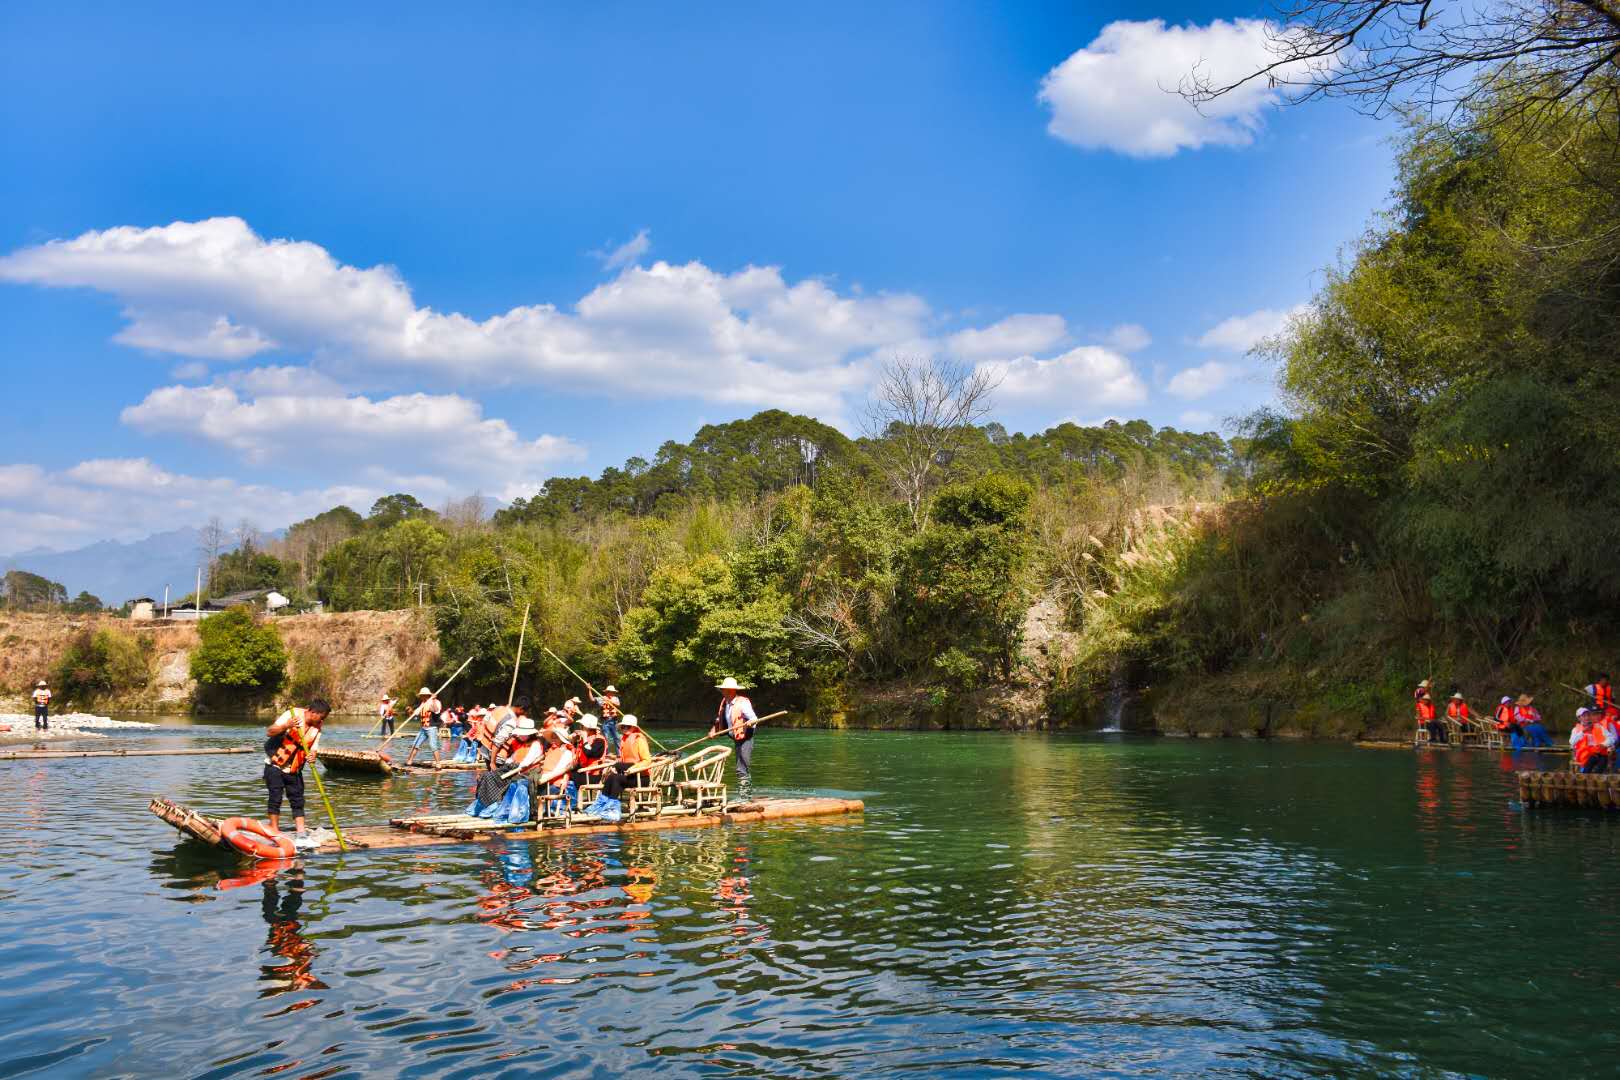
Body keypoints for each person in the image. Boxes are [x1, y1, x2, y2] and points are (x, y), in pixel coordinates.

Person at [263, 698, 331, 848]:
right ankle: (274, 831)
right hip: (275, 765)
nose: (323, 720)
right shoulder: (291, 715)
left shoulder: (317, 726)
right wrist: (287, 726)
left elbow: (314, 747)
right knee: (275, 798)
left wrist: (313, 755)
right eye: (322, 717)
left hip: (294, 769)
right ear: (313, 713)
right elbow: (270, 732)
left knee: (298, 801)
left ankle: (301, 836)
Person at [710, 676, 760, 799]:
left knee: (741, 767)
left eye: (724, 689)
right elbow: (719, 720)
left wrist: (750, 722)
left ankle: (745, 797)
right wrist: (713, 730)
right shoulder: (725, 703)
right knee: (741, 767)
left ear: (731, 690)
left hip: (746, 739)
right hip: (737, 739)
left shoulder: (742, 703)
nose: (722, 691)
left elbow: (754, 718)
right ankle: (745, 795)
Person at [404, 686, 444, 767]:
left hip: (432, 728)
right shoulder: (422, 704)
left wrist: (432, 700)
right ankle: (409, 761)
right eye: (421, 695)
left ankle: (438, 763)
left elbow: (436, 710)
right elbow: (416, 713)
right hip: (423, 728)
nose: (421, 697)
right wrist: (411, 712)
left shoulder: (436, 702)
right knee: (416, 744)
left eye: (422, 695)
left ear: (427, 695)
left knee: (433, 745)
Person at [1572, 708, 1616, 773]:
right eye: (1584, 716)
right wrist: (1582, 732)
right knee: (1593, 759)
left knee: (1602, 759)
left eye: (1588, 715)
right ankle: (1586, 777)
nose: (1587, 718)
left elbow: (1611, 738)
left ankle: (1596, 778)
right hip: (1584, 754)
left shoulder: (1599, 726)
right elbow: (1572, 742)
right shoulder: (1576, 729)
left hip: (1598, 752)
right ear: (1579, 718)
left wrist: (1604, 744)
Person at [592, 684, 622, 753]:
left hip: (614, 721)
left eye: (612, 692)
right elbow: (593, 699)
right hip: (605, 721)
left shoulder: (615, 698)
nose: (611, 693)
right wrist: (590, 690)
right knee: (606, 738)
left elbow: (618, 704)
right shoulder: (602, 698)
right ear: (607, 692)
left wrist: (609, 701)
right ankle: (607, 753)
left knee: (616, 737)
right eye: (610, 692)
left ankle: (619, 753)